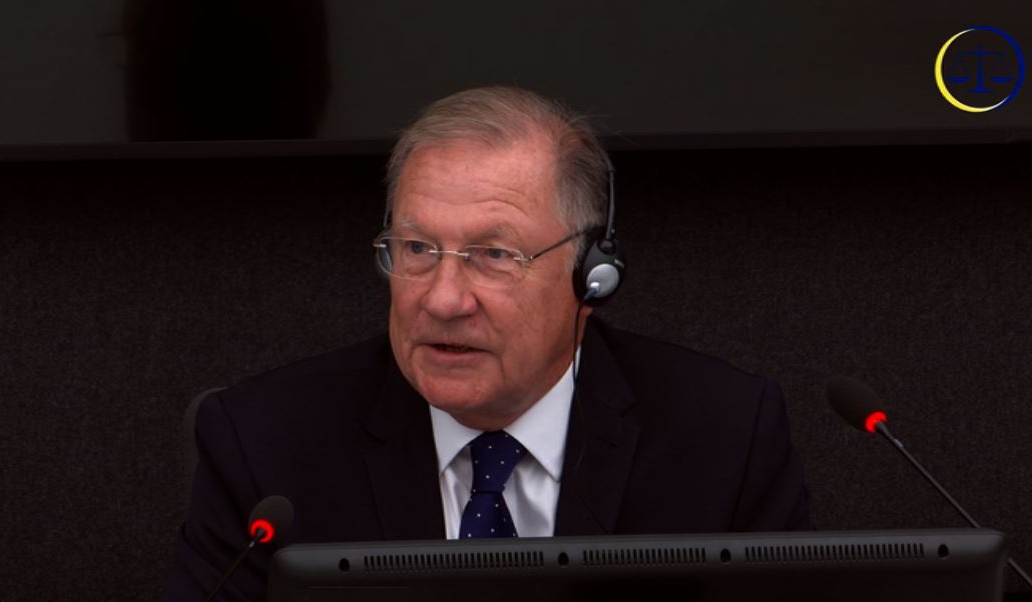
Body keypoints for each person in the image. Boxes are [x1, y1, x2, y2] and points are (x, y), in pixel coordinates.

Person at [164, 86, 810, 600]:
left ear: (589, 276)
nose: (443, 300)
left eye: (494, 255)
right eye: (418, 249)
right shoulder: (264, 445)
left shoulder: (724, 438)